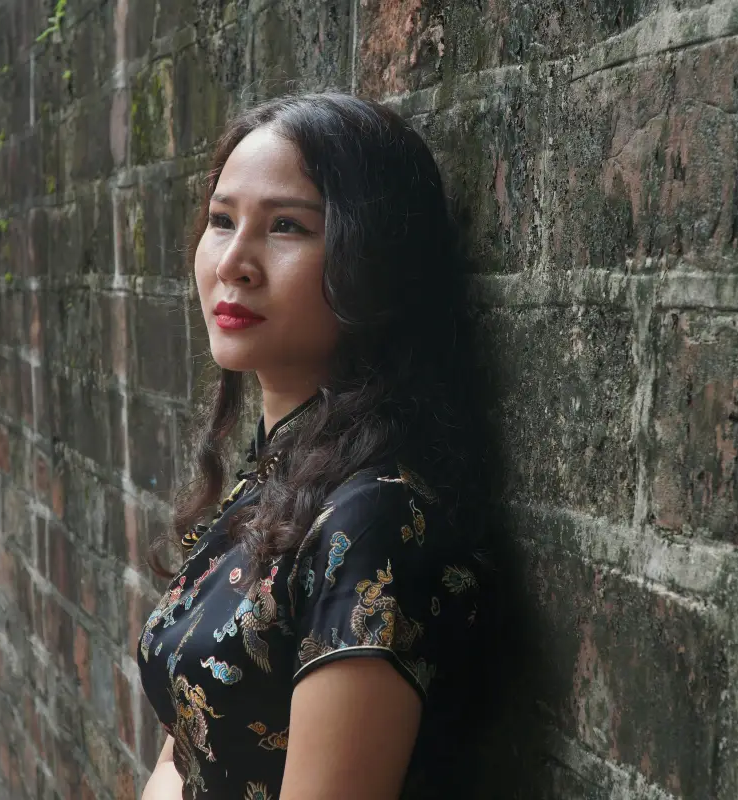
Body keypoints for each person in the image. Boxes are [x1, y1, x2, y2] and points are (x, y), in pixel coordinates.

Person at [137, 92, 483, 800]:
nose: (234, 261)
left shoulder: (373, 522)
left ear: (372, 261)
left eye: (287, 226)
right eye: (222, 221)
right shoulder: (276, 475)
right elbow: (183, 752)